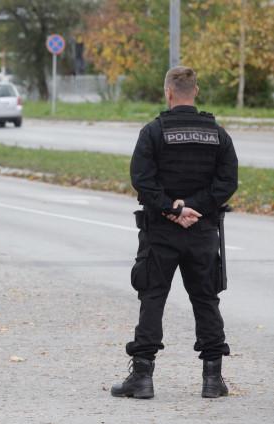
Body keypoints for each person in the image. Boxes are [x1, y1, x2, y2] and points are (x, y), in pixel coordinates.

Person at [111, 66, 238, 399]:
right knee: (206, 301)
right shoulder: (217, 134)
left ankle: (142, 378)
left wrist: (173, 208)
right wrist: (195, 207)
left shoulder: (153, 132)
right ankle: (212, 379)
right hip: (203, 230)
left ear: (168, 92)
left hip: (161, 232)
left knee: (152, 298)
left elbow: (142, 180)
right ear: (195, 92)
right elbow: (227, 183)